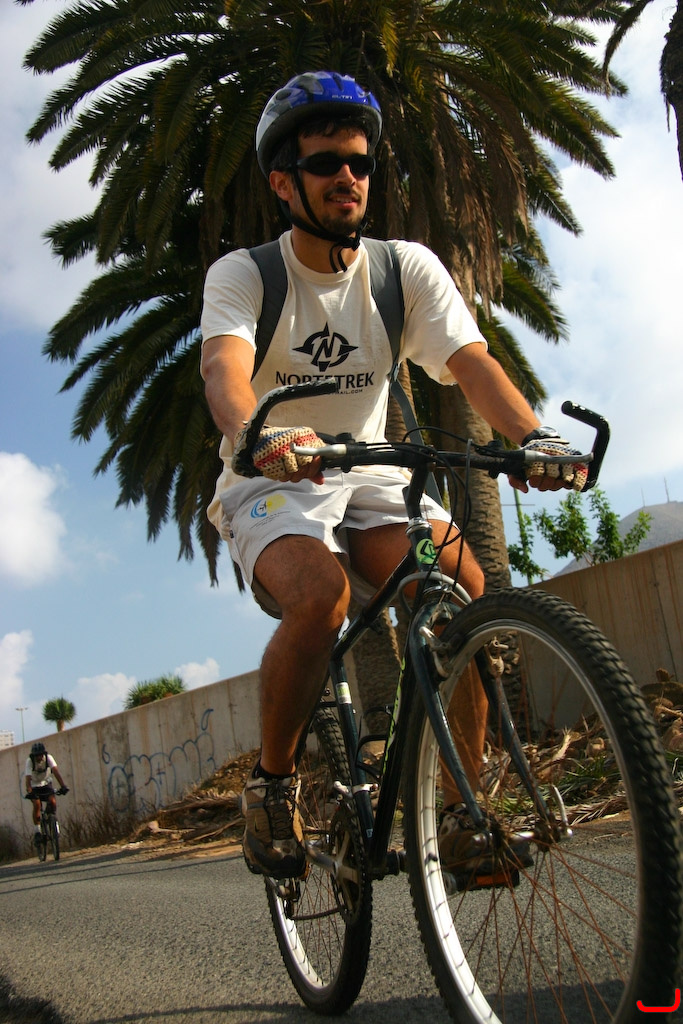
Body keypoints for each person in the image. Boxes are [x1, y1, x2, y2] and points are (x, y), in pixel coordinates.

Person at [200, 71, 588, 880]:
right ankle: (272, 785)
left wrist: (532, 436)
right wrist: (258, 432)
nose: (348, 176)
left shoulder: (402, 268)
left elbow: (469, 363)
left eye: (360, 162)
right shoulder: (246, 275)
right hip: (272, 473)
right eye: (325, 163)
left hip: (372, 473)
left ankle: (460, 812)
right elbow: (223, 371)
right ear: (282, 182)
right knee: (320, 597)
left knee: (457, 591)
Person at [24, 741, 69, 850]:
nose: (39, 757)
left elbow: (56, 772)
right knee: (37, 805)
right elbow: (28, 779)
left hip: (46, 783)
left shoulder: (49, 758)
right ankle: (38, 831)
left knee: (52, 802)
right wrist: (29, 791)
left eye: (40, 755)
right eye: (36, 755)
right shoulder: (30, 761)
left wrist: (63, 786)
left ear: (43, 754)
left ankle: (51, 820)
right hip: (35, 786)